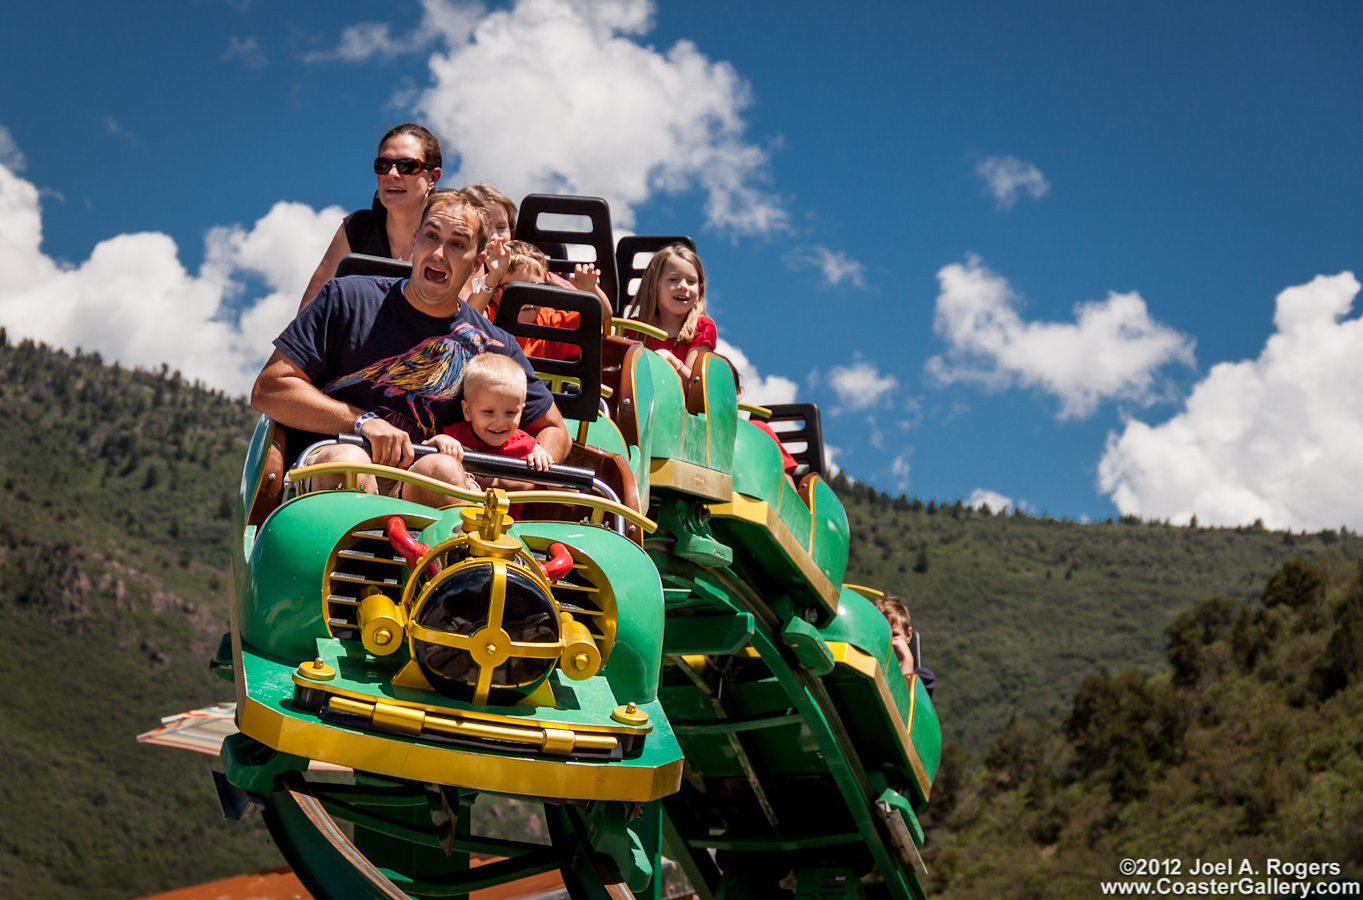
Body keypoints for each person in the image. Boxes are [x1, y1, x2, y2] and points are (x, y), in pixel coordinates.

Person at [251, 190, 571, 507]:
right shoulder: (347, 298)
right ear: (415, 240)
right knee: (349, 463)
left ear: (478, 263)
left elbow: (555, 429)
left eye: (457, 244)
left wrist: (532, 466)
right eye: (431, 237)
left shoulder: (494, 344)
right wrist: (363, 423)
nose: (439, 253)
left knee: (443, 470)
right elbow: (269, 389)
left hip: (427, 481)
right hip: (333, 462)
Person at [300, 124, 444, 310]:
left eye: (407, 166)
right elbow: (307, 315)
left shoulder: (452, 235)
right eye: (383, 165)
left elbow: (470, 320)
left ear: (433, 178)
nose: (392, 174)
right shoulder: (357, 229)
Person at [433, 353, 553, 506]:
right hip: (456, 519)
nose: (500, 422)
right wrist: (438, 441)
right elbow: (427, 460)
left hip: (505, 526)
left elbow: (570, 497)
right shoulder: (453, 436)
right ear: (467, 411)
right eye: (488, 412)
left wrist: (544, 462)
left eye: (510, 413)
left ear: (521, 411)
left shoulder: (528, 446)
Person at [633, 243, 716, 382]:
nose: (683, 286)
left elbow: (694, 386)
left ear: (700, 289)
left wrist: (671, 360)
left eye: (691, 281)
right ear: (654, 284)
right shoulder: (635, 329)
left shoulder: (701, 327)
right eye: (673, 279)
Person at [873, 594, 936, 698]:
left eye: (894, 635)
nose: (889, 642)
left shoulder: (923, 678)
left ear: (908, 635)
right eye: (883, 636)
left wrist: (907, 660)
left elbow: (903, 703)